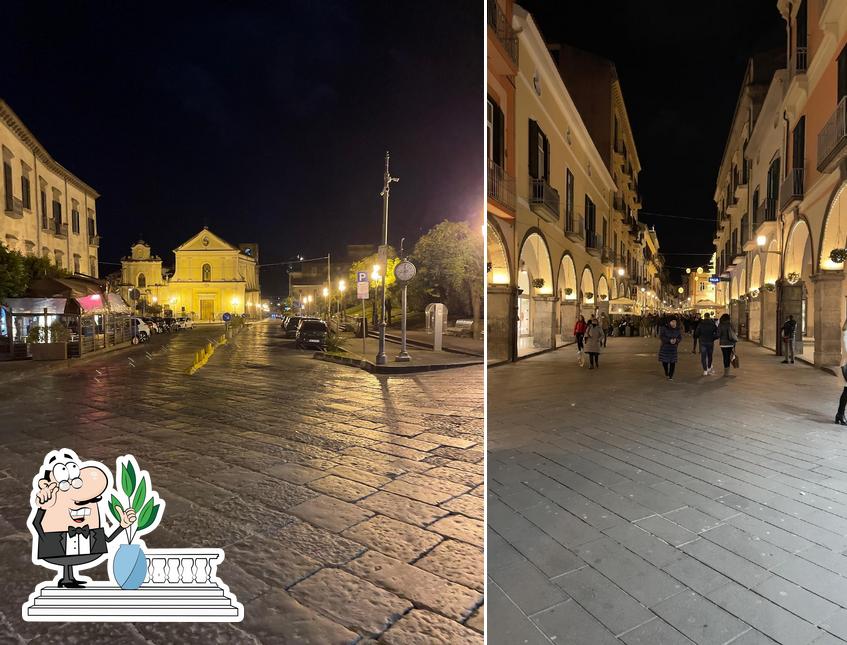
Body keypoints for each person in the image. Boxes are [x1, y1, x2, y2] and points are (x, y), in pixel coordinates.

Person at [717, 313, 738, 377]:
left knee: (725, 357)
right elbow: (734, 332)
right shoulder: (730, 324)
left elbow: (718, 334)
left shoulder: (720, 325)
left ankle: (726, 371)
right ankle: (727, 372)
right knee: (728, 357)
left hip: (723, 344)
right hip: (730, 343)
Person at [836, 319, 847, 426]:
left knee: (846, 391)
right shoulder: (845, 333)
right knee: (846, 391)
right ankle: (840, 414)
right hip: (846, 365)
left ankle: (840, 414)